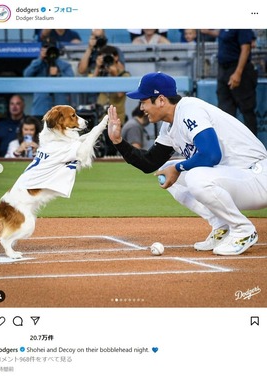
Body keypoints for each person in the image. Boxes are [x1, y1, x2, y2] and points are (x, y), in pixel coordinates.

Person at [107, 72, 267, 256]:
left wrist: (177, 168)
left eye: (144, 101)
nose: (141, 107)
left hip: (257, 176)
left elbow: (211, 154)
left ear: (160, 100)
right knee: (164, 173)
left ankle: (243, 230)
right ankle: (222, 226)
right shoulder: (169, 125)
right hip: (238, 177)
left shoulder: (189, 109)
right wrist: (118, 141)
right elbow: (149, 163)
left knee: (193, 175)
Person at [212, 29, 258, 136]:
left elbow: (246, 48)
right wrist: (208, 32)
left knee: (247, 109)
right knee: (225, 112)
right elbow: (224, 35)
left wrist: (238, 73)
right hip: (223, 70)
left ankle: (252, 147)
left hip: (239, 70)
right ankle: (229, 147)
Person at [93, 45, 130, 156]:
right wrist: (97, 67)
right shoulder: (102, 74)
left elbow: (120, 93)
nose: (107, 60)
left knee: (111, 149)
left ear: (116, 57)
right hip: (100, 116)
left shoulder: (125, 75)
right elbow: (89, 86)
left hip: (116, 117)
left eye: (109, 57)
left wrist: (114, 75)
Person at [23, 42, 75, 117]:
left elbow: (72, 83)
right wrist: (40, 59)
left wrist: (59, 74)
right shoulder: (37, 64)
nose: (50, 52)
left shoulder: (64, 65)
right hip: (40, 109)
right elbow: (26, 75)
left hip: (61, 110)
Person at [77, 29, 125, 105]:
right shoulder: (90, 52)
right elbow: (81, 70)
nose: (99, 40)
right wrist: (90, 48)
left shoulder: (114, 50)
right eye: (96, 37)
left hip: (110, 88)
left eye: (101, 37)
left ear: (105, 36)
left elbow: (122, 70)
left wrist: (110, 58)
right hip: (93, 91)